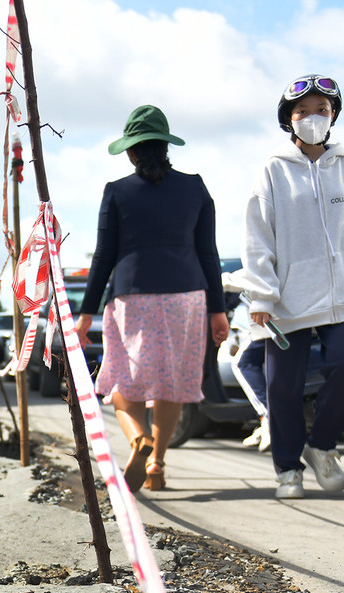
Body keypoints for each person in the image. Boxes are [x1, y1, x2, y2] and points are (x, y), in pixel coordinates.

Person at [75, 104, 229, 493]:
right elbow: (208, 254)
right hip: (186, 299)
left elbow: (103, 257)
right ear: (165, 146)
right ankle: (157, 465)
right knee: (171, 384)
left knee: (122, 382)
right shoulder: (195, 187)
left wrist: (85, 314)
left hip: (133, 299)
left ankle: (137, 439)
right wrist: (218, 310)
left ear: (131, 150)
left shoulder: (117, 191)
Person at [233, 75, 344, 499]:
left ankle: (322, 446)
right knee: (283, 388)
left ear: (333, 116)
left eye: (322, 110)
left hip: (343, 294)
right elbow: (258, 234)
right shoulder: (273, 169)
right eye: (303, 111)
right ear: (288, 119)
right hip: (285, 299)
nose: (313, 117)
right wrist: (262, 294)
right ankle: (288, 470)